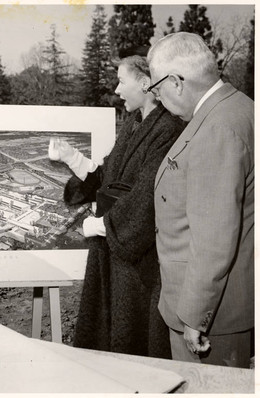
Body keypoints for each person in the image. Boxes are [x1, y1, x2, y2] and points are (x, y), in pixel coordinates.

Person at [50, 53, 185, 358]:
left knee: (132, 340)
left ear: (146, 83)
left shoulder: (168, 130)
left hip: (139, 264)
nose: (117, 89)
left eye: (122, 81)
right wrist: (72, 157)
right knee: (110, 337)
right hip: (115, 255)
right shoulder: (134, 124)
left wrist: (100, 225)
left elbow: (148, 194)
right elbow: (110, 175)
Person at [148, 32, 254, 368]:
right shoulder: (236, 107)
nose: (158, 98)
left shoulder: (217, 128)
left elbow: (214, 239)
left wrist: (195, 316)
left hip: (209, 318)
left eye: (156, 88)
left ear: (176, 82)